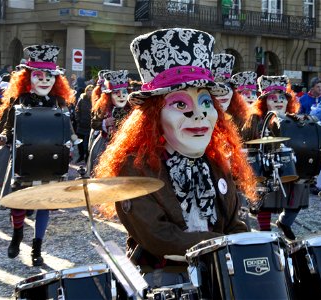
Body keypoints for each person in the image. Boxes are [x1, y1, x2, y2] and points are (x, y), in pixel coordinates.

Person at [95, 28, 256, 287]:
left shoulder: (215, 161)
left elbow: (233, 219)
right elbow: (157, 236)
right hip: (165, 276)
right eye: (181, 104)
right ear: (154, 116)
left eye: (205, 103)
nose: (199, 115)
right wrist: (220, 245)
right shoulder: (135, 167)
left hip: (220, 271)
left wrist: (242, 246)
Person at [0, 45, 74, 265]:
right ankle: (17, 235)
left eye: (49, 76)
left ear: (56, 80)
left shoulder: (60, 103)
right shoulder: (19, 102)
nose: (45, 80)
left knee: (44, 204)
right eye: (39, 75)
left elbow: (67, 130)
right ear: (28, 78)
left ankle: (37, 248)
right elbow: (8, 129)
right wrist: (1, 138)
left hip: (50, 162)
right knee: (18, 203)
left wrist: (71, 145)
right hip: (23, 161)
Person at [241, 75, 302, 239]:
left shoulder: (293, 118)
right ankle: (265, 231)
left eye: (282, 98)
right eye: (273, 98)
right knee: (265, 198)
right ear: (264, 102)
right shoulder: (255, 118)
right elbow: (246, 140)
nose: (279, 101)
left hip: (289, 163)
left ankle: (285, 222)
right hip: (264, 163)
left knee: (299, 193)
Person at [87, 70, 131, 175]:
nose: (122, 96)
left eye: (124, 92)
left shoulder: (132, 109)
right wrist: (104, 123)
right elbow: (93, 124)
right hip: (104, 144)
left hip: (126, 146)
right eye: (116, 93)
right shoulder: (102, 108)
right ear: (109, 96)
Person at [74, 84, 93, 163]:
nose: (90, 92)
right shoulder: (81, 99)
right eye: (89, 90)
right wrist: (78, 120)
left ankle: (87, 157)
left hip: (90, 125)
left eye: (92, 90)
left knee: (88, 143)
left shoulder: (94, 100)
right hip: (81, 124)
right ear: (86, 91)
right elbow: (77, 110)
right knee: (80, 142)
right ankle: (81, 155)